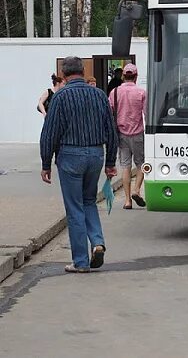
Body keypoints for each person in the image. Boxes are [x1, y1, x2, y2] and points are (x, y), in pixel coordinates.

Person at [40, 56, 118, 273]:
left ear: (64, 74)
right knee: (89, 201)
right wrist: (110, 161)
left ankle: (81, 262)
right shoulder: (99, 95)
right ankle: (98, 242)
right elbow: (111, 130)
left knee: (75, 208)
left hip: (70, 156)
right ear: (83, 72)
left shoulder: (61, 97)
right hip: (95, 154)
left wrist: (46, 163)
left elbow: (50, 132)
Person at [109, 63, 147, 210]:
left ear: (123, 76)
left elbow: (109, 111)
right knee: (141, 164)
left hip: (121, 134)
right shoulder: (141, 92)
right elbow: (147, 113)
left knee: (125, 166)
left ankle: (127, 200)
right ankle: (137, 190)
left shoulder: (115, 92)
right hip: (137, 134)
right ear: (136, 77)